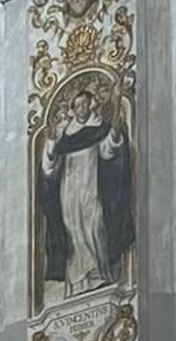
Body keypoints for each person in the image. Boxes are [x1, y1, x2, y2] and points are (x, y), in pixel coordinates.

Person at [39, 87, 136, 295]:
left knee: (95, 223)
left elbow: (108, 152)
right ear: (73, 110)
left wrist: (115, 133)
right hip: (69, 190)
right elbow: (50, 168)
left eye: (84, 103)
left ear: (91, 104)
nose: (81, 108)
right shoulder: (66, 137)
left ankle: (98, 273)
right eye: (77, 105)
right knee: (73, 229)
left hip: (92, 184)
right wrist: (50, 145)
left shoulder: (99, 129)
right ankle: (77, 282)